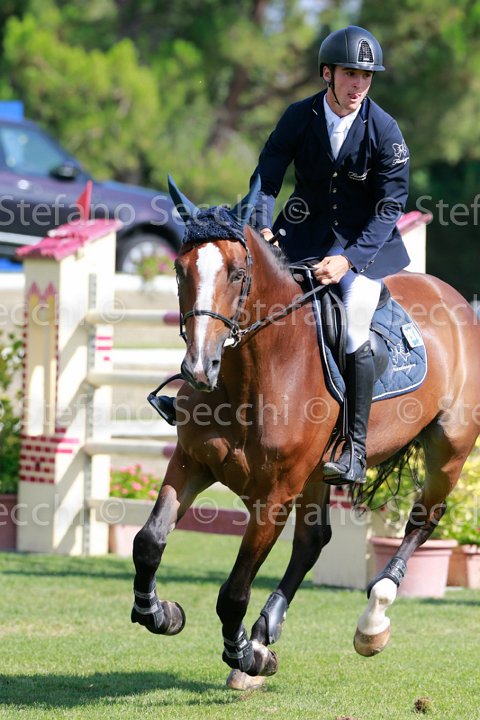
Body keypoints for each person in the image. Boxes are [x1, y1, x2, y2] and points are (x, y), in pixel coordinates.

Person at [251, 25, 410, 485]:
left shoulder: (385, 130)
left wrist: (349, 260)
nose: (359, 85)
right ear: (328, 74)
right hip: (300, 233)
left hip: (363, 243)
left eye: (366, 76)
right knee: (240, 289)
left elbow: (390, 206)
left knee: (355, 317)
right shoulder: (298, 116)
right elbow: (266, 177)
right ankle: (196, 396)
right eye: (350, 74)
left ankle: (354, 449)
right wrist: (263, 225)